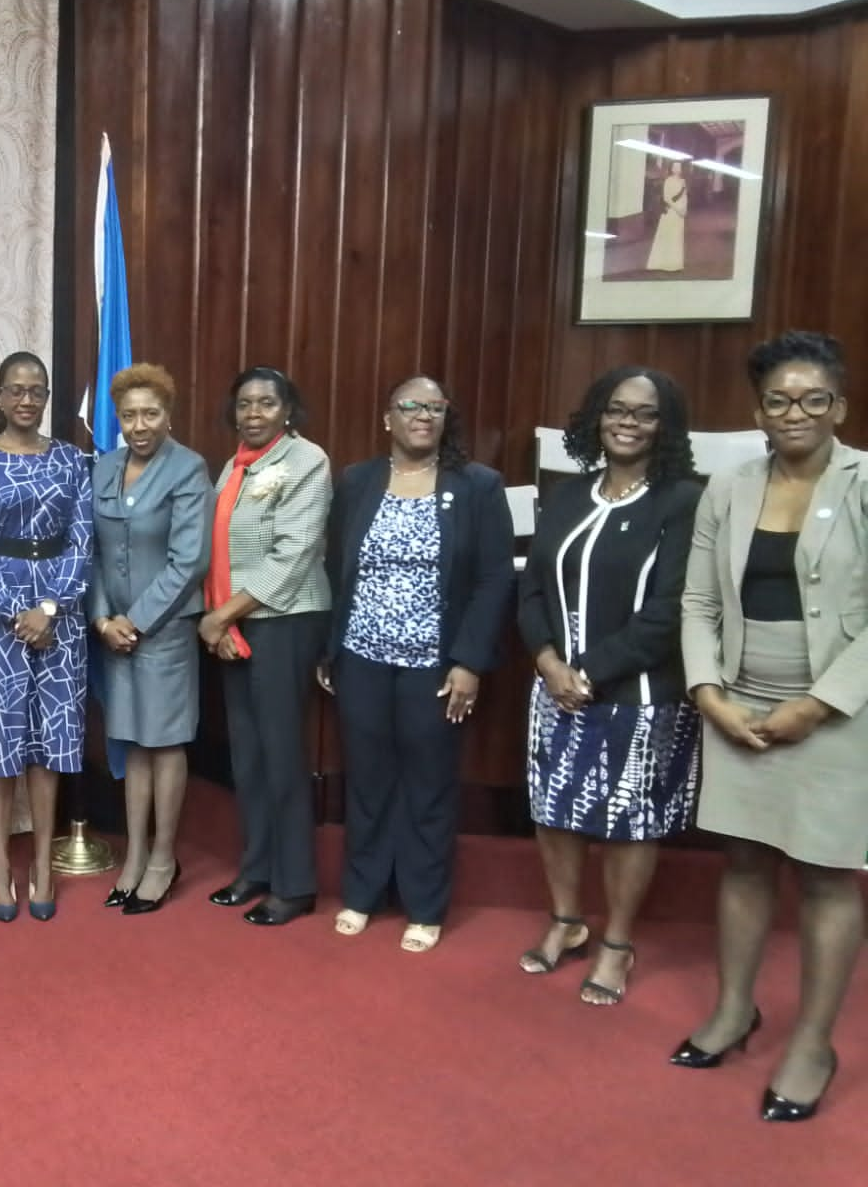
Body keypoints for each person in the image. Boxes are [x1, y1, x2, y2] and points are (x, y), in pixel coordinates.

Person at [675, 330, 868, 1122]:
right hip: (741, 701)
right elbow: (697, 603)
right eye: (780, 400)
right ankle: (733, 1010)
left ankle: (813, 1042)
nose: (796, 412)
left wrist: (818, 704)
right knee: (745, 863)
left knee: (826, 874)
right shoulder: (731, 485)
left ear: (840, 407)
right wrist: (708, 689)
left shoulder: (864, 481)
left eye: (813, 398)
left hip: (838, 710)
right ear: (758, 410)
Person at [516, 366, 703, 1003]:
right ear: (598, 415)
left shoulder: (683, 500)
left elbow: (671, 609)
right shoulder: (567, 494)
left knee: (629, 821)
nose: (628, 422)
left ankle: (618, 943)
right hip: (553, 688)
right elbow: (532, 587)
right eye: (617, 410)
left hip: (641, 697)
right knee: (554, 811)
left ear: (664, 425)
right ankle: (567, 922)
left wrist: (588, 672)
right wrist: (547, 662)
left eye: (644, 414)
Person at [318, 376, 514, 952]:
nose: (422, 415)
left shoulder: (477, 486)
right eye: (411, 406)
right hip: (362, 658)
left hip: (436, 666)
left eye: (434, 407)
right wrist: (331, 649)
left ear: (446, 417)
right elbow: (337, 566)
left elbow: (494, 579)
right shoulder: (358, 481)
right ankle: (362, 893)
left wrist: (469, 661)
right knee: (369, 781)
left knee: (428, 785)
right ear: (388, 419)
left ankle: (424, 906)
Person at [0, 351, 92, 922]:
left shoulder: (72, 460)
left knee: (48, 745)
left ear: (47, 396)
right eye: (16, 390)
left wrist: (49, 609)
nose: (27, 399)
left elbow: (83, 541)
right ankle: (1, 865)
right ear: (0, 397)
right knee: (4, 743)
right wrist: (17, 612)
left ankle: (44, 866)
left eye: (37, 390)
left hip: (60, 616)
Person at [204, 367, 332, 927]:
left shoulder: (306, 462)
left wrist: (221, 617)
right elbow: (218, 548)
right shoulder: (234, 466)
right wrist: (223, 622)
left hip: (284, 619)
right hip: (235, 622)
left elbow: (294, 552)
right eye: (245, 404)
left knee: (281, 754)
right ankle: (257, 867)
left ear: (287, 410)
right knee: (248, 756)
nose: (253, 413)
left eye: (266, 403)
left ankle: (295, 883)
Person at [89, 363, 211, 914]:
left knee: (164, 743)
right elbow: (87, 550)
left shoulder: (188, 468)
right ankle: (134, 855)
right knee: (133, 743)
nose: (139, 424)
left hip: (161, 631)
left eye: (151, 413)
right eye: (129, 414)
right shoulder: (105, 466)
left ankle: (164, 857)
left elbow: (190, 560)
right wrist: (101, 620)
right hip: (112, 630)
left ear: (169, 415)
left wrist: (134, 621)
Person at [646, 161, 688, 273]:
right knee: (668, 236)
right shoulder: (668, 181)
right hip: (671, 212)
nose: (677, 169)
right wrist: (677, 208)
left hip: (680, 214)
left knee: (677, 237)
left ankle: (675, 264)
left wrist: (684, 209)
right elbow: (666, 198)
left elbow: (684, 196)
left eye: (679, 167)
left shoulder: (683, 181)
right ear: (672, 169)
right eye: (675, 167)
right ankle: (663, 263)